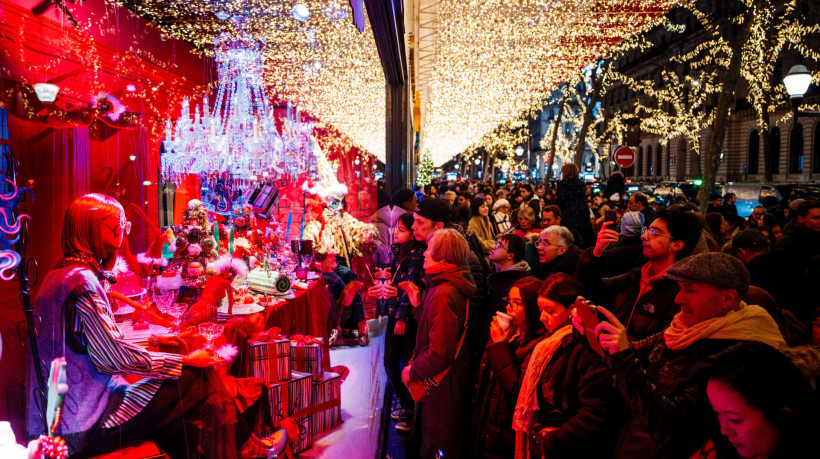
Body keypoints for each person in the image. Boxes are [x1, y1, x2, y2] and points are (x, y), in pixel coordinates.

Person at [27, 194, 266, 459]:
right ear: (91, 226)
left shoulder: (62, 273)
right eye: (116, 223)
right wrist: (183, 359)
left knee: (187, 404)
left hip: (66, 415)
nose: (122, 230)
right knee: (198, 377)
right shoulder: (82, 282)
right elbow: (113, 359)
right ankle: (247, 448)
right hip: (83, 425)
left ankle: (243, 448)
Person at [579, 252, 786, 459]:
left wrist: (623, 356)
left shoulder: (736, 357)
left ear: (727, 298)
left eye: (690, 290)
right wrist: (591, 334)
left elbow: (670, 426)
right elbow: (634, 355)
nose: (679, 299)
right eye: (679, 289)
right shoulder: (682, 329)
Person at [514, 274, 623, 458]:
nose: (542, 317)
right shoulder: (549, 343)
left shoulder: (588, 347)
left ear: (572, 309)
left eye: (549, 310)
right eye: (540, 310)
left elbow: (595, 413)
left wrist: (553, 440)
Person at [400, 228, 477, 459]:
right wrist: (417, 304)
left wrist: (412, 371)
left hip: (442, 383)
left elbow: (441, 353)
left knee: (439, 444)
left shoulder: (444, 292)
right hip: (448, 380)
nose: (424, 254)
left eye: (430, 250)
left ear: (442, 257)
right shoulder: (447, 284)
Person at [576, 207, 702, 339]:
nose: (643, 236)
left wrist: (624, 347)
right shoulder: (637, 276)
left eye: (654, 232)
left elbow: (662, 345)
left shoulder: (682, 294)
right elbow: (595, 289)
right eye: (646, 229)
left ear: (677, 245)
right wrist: (596, 253)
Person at [694, 341, 818, 458]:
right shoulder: (718, 445)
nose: (724, 430)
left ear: (781, 416)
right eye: (717, 413)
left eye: (735, 420)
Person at [472, 277, 545, 459]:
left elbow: (515, 386)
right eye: (509, 301)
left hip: (507, 429)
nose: (509, 307)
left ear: (532, 307)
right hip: (488, 418)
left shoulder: (537, 344)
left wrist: (499, 344)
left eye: (517, 303)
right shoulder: (511, 331)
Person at [371, 212, 424, 432]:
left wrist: (401, 318)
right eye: (396, 228)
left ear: (413, 234)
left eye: (401, 229)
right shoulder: (399, 252)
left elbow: (408, 287)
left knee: (401, 361)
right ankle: (402, 399)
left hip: (406, 318)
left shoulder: (416, 255)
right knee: (390, 362)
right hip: (394, 313)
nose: (395, 232)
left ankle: (407, 405)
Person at [487, 234, 532, 317]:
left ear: (510, 255)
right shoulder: (494, 274)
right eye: (495, 243)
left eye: (499, 245)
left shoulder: (520, 283)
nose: (493, 246)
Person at [555, 163, 594, 249]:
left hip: (567, 215)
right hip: (582, 215)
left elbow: (560, 200)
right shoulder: (581, 184)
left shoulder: (562, 184)